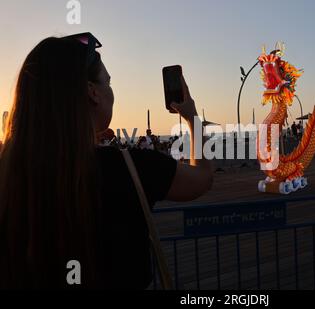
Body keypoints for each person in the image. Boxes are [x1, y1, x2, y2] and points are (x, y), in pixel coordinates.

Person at [0, 33, 213, 289]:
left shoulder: (9, 172)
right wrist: (191, 118)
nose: (111, 92)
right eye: (108, 83)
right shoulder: (128, 167)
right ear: (93, 92)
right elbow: (202, 178)